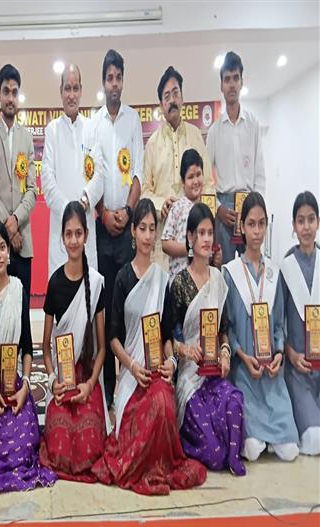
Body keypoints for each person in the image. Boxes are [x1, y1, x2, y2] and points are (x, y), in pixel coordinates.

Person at [91, 199, 206, 494]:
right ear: (132, 231)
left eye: (152, 229)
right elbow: (113, 338)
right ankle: (138, 461)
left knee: (164, 403)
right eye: (142, 228)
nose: (147, 235)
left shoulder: (161, 280)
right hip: (133, 373)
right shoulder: (122, 279)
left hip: (157, 370)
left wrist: (171, 363)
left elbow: (167, 335)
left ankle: (158, 464)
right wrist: (131, 367)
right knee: (149, 407)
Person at [0, 221, 56, 493]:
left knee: (25, 444)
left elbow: (27, 347)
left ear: (9, 252)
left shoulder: (18, 291)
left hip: (15, 385)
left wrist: (25, 385)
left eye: (3, 247)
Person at [86, 49, 144, 410]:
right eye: (109, 77)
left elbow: (137, 173)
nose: (114, 83)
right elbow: (90, 173)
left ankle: (133, 380)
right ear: (103, 81)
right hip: (100, 227)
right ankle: (108, 387)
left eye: (118, 77)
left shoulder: (133, 120)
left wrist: (127, 211)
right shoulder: (93, 123)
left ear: (123, 80)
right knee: (104, 309)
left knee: (128, 305)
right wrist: (103, 212)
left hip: (126, 230)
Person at [223, 192, 299, 462]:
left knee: (290, 451)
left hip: (270, 375)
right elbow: (227, 328)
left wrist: (278, 354)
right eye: (251, 224)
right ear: (242, 227)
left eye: (261, 224)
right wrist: (242, 356)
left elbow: (278, 325)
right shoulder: (230, 273)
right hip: (245, 372)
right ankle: (260, 438)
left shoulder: (274, 274)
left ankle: (273, 437)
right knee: (253, 450)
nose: (257, 231)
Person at [171, 203, 245, 475]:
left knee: (234, 403)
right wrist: (186, 350)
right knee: (214, 454)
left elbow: (223, 330)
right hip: (190, 376)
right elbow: (170, 339)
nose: (206, 239)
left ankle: (230, 455)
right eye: (200, 233)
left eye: (209, 233)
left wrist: (224, 352)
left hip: (215, 374)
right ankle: (187, 443)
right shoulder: (179, 283)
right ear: (190, 237)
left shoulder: (218, 279)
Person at [39, 202, 109, 482]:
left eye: (78, 233)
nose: (73, 240)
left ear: (86, 235)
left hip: (87, 378)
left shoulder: (97, 283)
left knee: (90, 446)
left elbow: (102, 348)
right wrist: (53, 380)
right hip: (63, 381)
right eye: (68, 234)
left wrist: (90, 384)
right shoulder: (55, 283)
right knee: (60, 448)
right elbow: (45, 347)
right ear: (62, 237)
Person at [142, 66, 214, 269]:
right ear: (161, 105)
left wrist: (202, 217)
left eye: (175, 93)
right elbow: (145, 192)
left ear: (182, 98)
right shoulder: (152, 144)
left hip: (195, 242)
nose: (172, 100)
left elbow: (209, 184)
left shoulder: (195, 135)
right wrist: (161, 204)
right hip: (163, 243)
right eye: (166, 97)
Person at [41, 64, 103, 276]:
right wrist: (69, 211)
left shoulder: (92, 128)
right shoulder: (52, 130)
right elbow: (47, 180)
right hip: (61, 230)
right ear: (61, 92)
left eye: (75, 88)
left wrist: (83, 202)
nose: (71, 95)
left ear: (81, 91)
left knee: (89, 289)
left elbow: (99, 175)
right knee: (61, 289)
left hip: (86, 226)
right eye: (67, 88)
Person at [0, 64, 37, 298]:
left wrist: (16, 220)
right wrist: (8, 228)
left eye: (15, 92)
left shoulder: (27, 137)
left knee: (22, 307)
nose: (10, 98)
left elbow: (32, 189)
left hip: (24, 242)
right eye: (6, 91)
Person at [207, 52, 266, 264]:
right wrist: (218, 209)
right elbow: (206, 180)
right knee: (223, 268)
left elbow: (259, 172)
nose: (231, 84)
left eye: (235, 78)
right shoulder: (214, 131)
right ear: (221, 86)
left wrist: (257, 208)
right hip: (224, 209)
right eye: (227, 79)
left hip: (249, 204)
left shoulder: (253, 124)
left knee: (251, 265)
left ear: (242, 82)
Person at [280, 191, 320, 455]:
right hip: (299, 371)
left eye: (311, 219)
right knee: (314, 440)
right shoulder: (285, 267)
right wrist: (291, 355)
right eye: (301, 221)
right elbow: (277, 323)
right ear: (294, 225)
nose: (306, 227)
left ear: (318, 222)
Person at [162, 149, 221, 284]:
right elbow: (165, 243)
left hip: (203, 281)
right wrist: (190, 248)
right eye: (190, 177)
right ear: (183, 181)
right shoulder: (177, 207)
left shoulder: (208, 207)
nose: (195, 181)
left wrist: (217, 257)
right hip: (180, 282)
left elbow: (211, 246)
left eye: (198, 175)